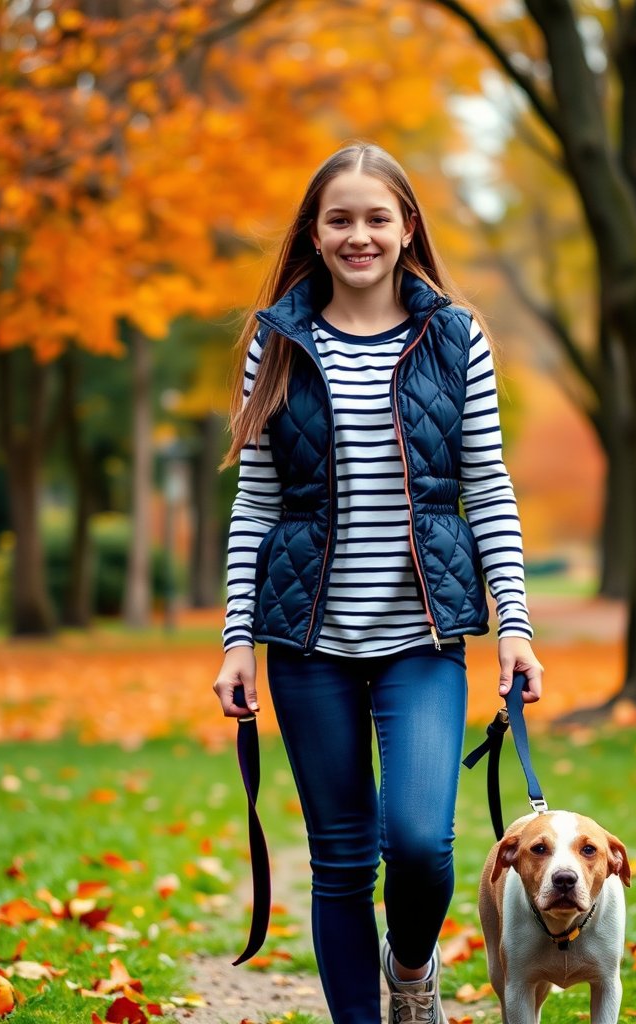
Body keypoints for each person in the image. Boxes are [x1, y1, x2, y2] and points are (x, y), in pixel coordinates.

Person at [213, 141, 543, 1024]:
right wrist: (237, 639)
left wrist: (515, 623)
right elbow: (256, 502)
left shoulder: (456, 337)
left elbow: (489, 484)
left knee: (421, 844)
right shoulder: (276, 341)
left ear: (406, 229)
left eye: (376, 218)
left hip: (423, 639)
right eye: (340, 219)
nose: (359, 235)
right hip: (306, 643)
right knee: (344, 859)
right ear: (314, 235)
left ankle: (410, 968)